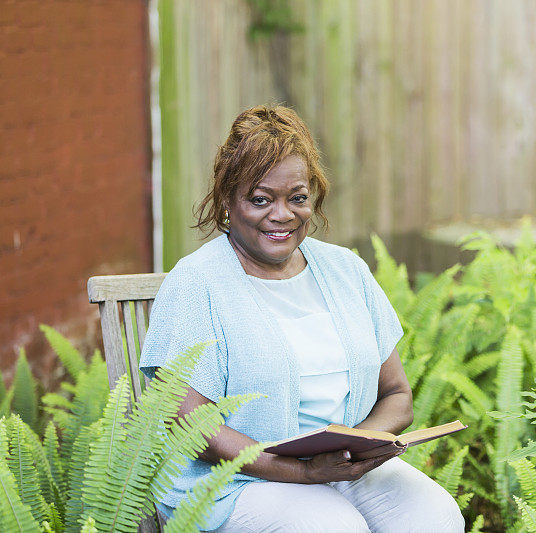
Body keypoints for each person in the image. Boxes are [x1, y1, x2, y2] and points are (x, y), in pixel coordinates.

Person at [139, 104, 465, 532]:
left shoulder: (345, 270)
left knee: (436, 518)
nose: (282, 214)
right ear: (227, 200)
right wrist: (304, 472)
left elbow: (396, 394)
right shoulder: (196, 284)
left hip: (344, 469)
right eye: (260, 199)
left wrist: (358, 448)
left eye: (297, 197)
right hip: (235, 481)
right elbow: (192, 425)